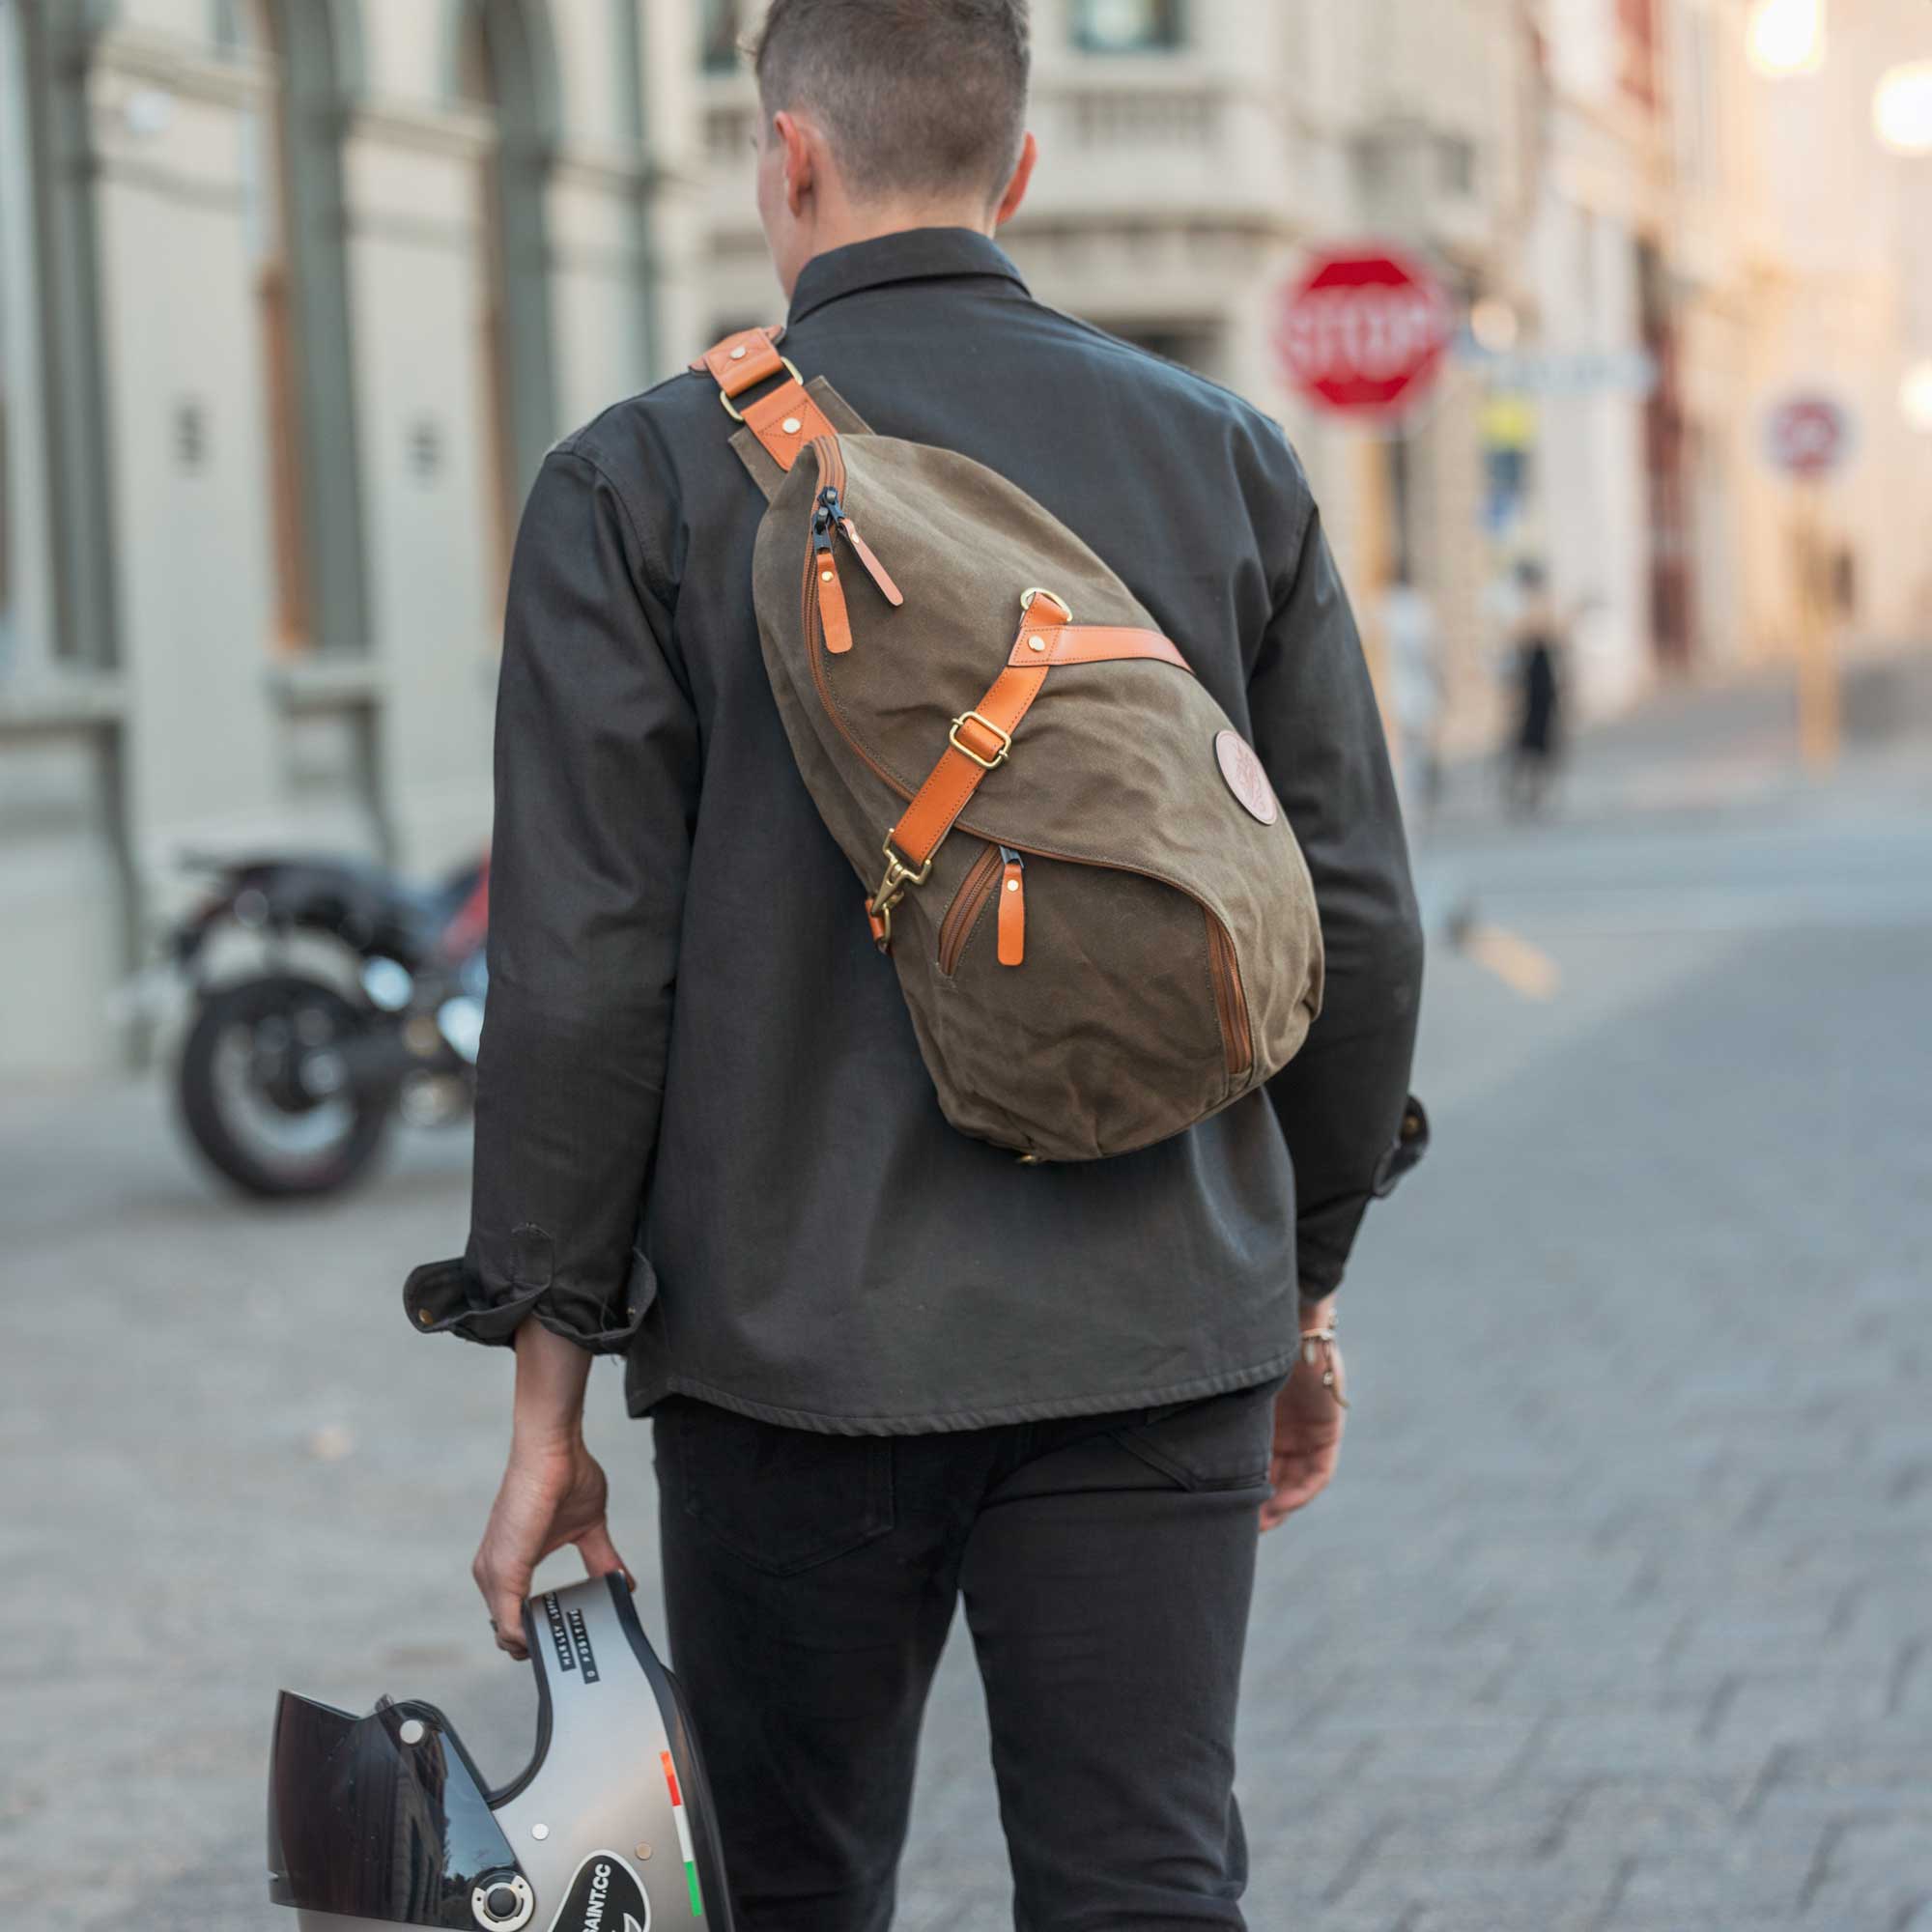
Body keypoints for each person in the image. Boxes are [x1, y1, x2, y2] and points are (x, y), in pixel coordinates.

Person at [405, 3, 1425, 1925]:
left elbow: (581, 973)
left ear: (784, 155)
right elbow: (1352, 924)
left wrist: (545, 1400)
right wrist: (1298, 1290)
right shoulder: (1227, 463)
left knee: (793, 1889)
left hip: (791, 1361)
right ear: (1016, 172)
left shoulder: (639, 485)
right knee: (1143, 1875)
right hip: (1158, 1322)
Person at [1503, 556, 1571, 817]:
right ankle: (1530, 790)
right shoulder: (1533, 610)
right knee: (1529, 743)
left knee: (1536, 743)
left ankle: (1534, 791)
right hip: (1535, 685)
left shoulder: (1537, 609)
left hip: (1540, 685)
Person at [1380, 563, 1446, 815]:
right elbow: (1434, 653)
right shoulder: (1421, 609)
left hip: (1392, 693)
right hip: (1419, 691)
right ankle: (1414, 805)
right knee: (1417, 753)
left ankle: (1404, 804)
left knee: (1400, 756)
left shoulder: (1383, 608)